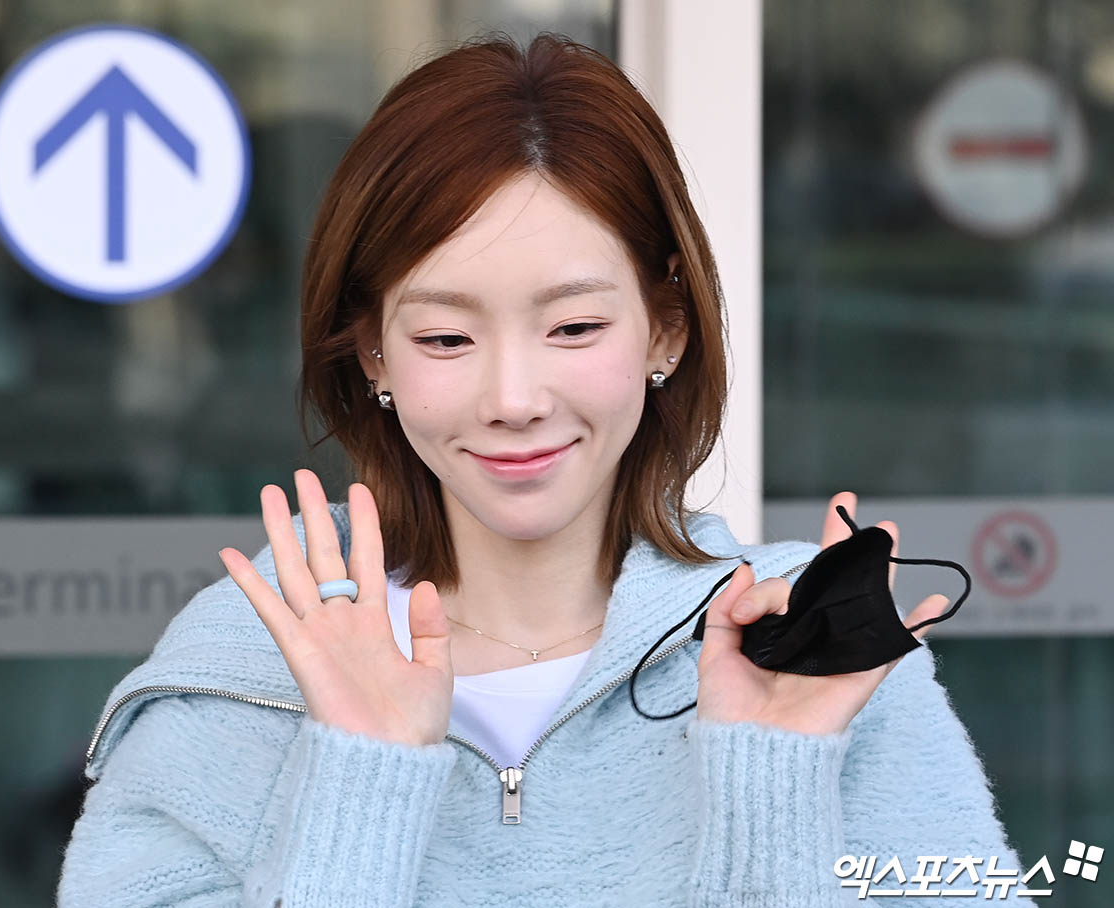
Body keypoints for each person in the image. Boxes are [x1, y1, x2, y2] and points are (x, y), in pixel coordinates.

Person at [57, 31, 1035, 907]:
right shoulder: (246, 666)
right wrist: (359, 776)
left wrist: (770, 781)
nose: (513, 396)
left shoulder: (813, 654)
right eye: (446, 337)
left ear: (667, 329)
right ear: (372, 354)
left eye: (573, 327)